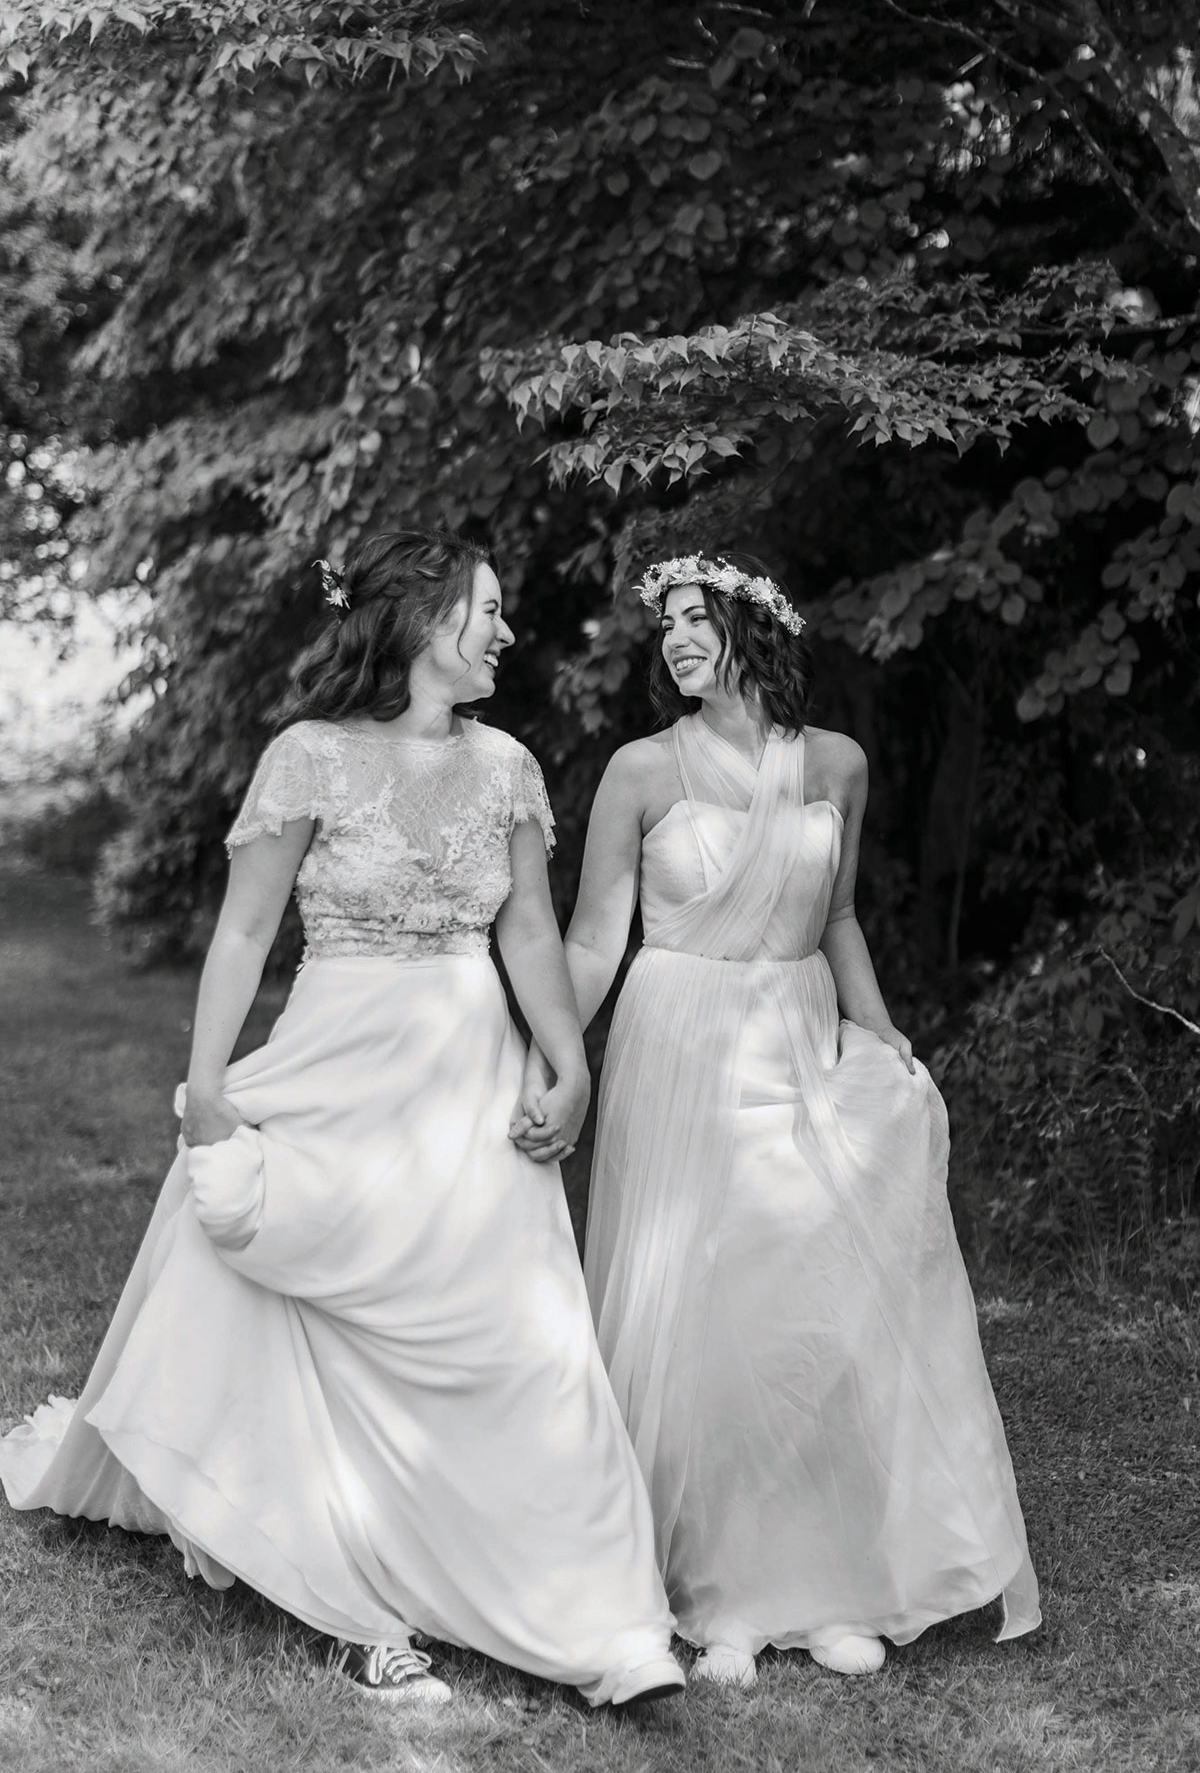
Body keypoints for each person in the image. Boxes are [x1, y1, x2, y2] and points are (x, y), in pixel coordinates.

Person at [0, 529, 684, 1710]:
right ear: (423, 621)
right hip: (338, 1062)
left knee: (521, 1345)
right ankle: (353, 1595)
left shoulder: (509, 767)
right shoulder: (307, 757)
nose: (508, 631)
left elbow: (528, 928)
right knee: (293, 1301)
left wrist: (569, 1065)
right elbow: (244, 929)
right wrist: (208, 1088)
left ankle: (606, 1625)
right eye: (488, 608)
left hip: (469, 1078)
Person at [514, 551, 1041, 1687]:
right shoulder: (640, 770)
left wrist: (881, 1034)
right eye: (666, 624)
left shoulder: (837, 763)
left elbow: (838, 916)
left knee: (807, 1305)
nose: (674, 640)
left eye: (694, 618)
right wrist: (552, 1053)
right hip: (678, 1042)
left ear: (752, 626)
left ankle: (819, 1584)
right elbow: (597, 937)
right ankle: (717, 1596)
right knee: (702, 1307)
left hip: (799, 1035)